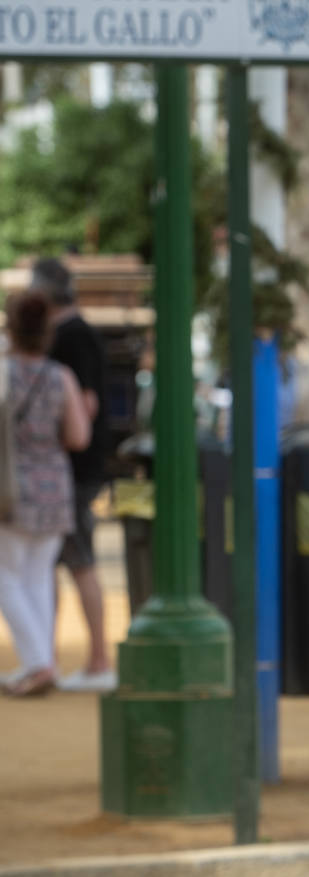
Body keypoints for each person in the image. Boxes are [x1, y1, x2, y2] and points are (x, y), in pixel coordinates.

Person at [0, 290, 92, 697]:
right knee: (37, 577)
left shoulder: (4, 372)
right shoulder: (61, 377)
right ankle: (41, 662)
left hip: (11, 487)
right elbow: (78, 436)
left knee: (7, 577)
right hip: (54, 486)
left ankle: (38, 663)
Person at [29, 258, 113, 692]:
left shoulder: (73, 336)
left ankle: (97, 659)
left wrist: (44, 437)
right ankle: (44, 658)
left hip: (72, 471)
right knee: (55, 564)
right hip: (69, 469)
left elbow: (86, 406)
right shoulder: (75, 334)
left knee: (79, 561)